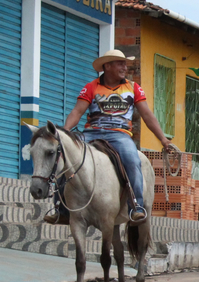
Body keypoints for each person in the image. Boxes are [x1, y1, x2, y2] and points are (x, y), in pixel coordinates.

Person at [45, 49, 175, 225]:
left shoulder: (134, 88)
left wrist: (163, 140)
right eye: (120, 64)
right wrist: (64, 133)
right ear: (107, 66)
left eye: (125, 64)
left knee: (132, 160)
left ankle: (136, 206)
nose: (124, 67)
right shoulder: (91, 87)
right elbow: (77, 111)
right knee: (66, 155)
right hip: (91, 133)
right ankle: (59, 209)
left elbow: (147, 115)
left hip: (120, 135)